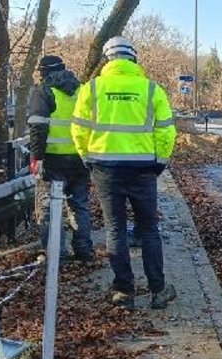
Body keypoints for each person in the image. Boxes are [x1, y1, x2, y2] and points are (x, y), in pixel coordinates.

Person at [71, 36, 177, 309]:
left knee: (115, 229)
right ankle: (158, 290)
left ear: (107, 59)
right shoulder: (152, 89)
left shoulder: (91, 89)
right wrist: (160, 161)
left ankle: (124, 292)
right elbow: (165, 131)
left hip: (105, 168)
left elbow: (78, 129)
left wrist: (87, 158)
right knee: (149, 230)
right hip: (143, 169)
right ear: (133, 58)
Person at [27, 55, 93, 261]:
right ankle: (84, 250)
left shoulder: (43, 92)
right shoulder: (83, 91)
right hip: (81, 158)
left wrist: (36, 158)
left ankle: (56, 255)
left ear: (43, 72)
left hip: (53, 160)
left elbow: (38, 127)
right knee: (80, 205)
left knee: (50, 207)